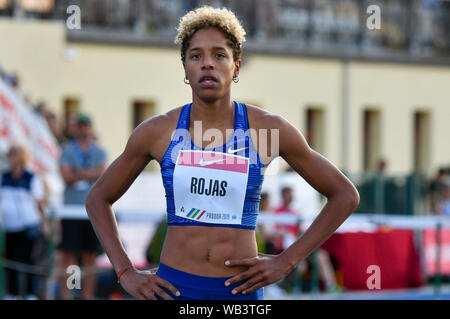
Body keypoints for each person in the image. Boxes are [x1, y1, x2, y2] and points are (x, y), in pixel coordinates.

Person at [86, 6, 359, 300]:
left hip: (238, 292)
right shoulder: (157, 132)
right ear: (185, 68)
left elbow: (345, 194)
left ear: (236, 66)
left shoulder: (268, 130)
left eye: (219, 55)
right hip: (173, 289)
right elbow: (97, 198)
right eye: (196, 56)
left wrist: (287, 261)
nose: (207, 64)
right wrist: (126, 272)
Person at [57, 113, 107, 300]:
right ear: (76, 128)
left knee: (89, 255)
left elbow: (102, 174)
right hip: (71, 210)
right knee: (68, 255)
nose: (84, 129)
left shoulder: (99, 151)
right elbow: (66, 176)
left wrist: (78, 172)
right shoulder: (67, 150)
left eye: (87, 125)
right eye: (81, 126)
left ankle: (88, 295)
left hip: (91, 211)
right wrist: (89, 174)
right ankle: (67, 294)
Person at [0, 144, 49, 299]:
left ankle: (29, 293)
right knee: (11, 260)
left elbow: (39, 203)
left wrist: (44, 222)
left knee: (29, 260)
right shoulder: (4, 177)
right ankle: (12, 293)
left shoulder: (31, 177)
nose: (11, 157)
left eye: (14, 154)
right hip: (9, 227)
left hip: (28, 226)